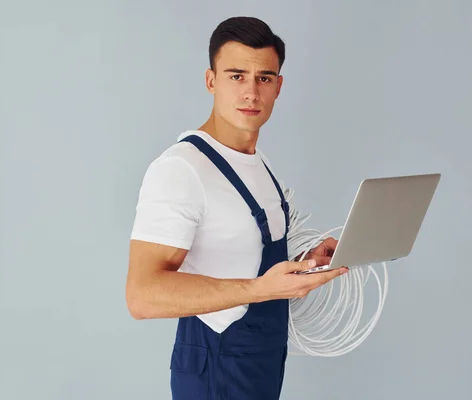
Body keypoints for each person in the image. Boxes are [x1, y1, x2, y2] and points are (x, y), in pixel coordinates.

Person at [126, 16, 348, 400]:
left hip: (260, 363)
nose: (251, 92)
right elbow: (142, 295)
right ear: (211, 81)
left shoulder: (258, 162)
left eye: (263, 78)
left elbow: (240, 255)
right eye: (235, 76)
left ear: (278, 87)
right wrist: (261, 289)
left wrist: (304, 263)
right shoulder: (181, 169)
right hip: (217, 369)